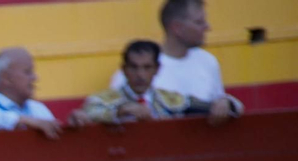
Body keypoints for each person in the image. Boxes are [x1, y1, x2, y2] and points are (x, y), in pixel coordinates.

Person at [108, 0, 236, 126]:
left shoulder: (208, 61)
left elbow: (218, 105)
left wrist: (225, 102)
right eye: (199, 22)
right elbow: (113, 117)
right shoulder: (134, 71)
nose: (207, 27)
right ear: (177, 28)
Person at [74, 39, 242, 125]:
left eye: (147, 67)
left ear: (157, 69)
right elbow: (87, 113)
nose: (140, 74)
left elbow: (227, 107)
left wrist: (226, 102)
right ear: (124, 69)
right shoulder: (103, 100)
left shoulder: (171, 99)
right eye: (134, 67)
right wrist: (118, 112)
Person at [0, 47, 61, 139]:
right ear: (6, 78)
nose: (35, 78)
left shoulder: (38, 108)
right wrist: (21, 120)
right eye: (28, 72)